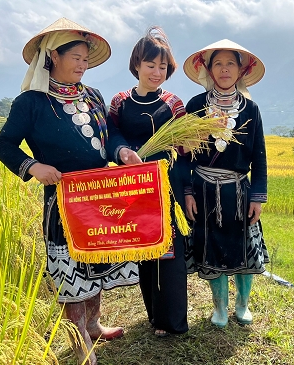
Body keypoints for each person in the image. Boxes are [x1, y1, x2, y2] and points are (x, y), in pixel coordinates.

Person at [0, 18, 142, 365]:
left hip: (100, 196)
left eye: (85, 58)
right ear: (52, 58)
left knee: (96, 264)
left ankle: (93, 324)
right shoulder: (30, 103)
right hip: (63, 200)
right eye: (74, 56)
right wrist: (33, 167)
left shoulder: (93, 96)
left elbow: (111, 137)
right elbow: (3, 146)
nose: (81, 64)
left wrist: (121, 153)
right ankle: (79, 343)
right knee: (71, 273)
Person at [181, 40, 269, 328]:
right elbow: (186, 155)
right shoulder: (195, 106)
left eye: (230, 63)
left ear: (241, 69)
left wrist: (257, 196)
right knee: (211, 249)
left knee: (243, 248)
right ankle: (219, 308)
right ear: (208, 69)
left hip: (239, 192)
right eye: (218, 63)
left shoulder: (251, 109)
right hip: (204, 190)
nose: (224, 69)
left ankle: (242, 305)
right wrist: (188, 191)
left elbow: (260, 157)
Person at [108, 27, 189, 338]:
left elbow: (184, 146)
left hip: (167, 189)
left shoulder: (173, 103)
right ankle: (154, 317)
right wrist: (123, 152)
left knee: (170, 255)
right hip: (134, 192)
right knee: (145, 252)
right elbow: (111, 136)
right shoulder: (119, 102)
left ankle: (174, 323)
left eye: (164, 67)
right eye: (151, 65)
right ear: (137, 64)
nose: (158, 72)